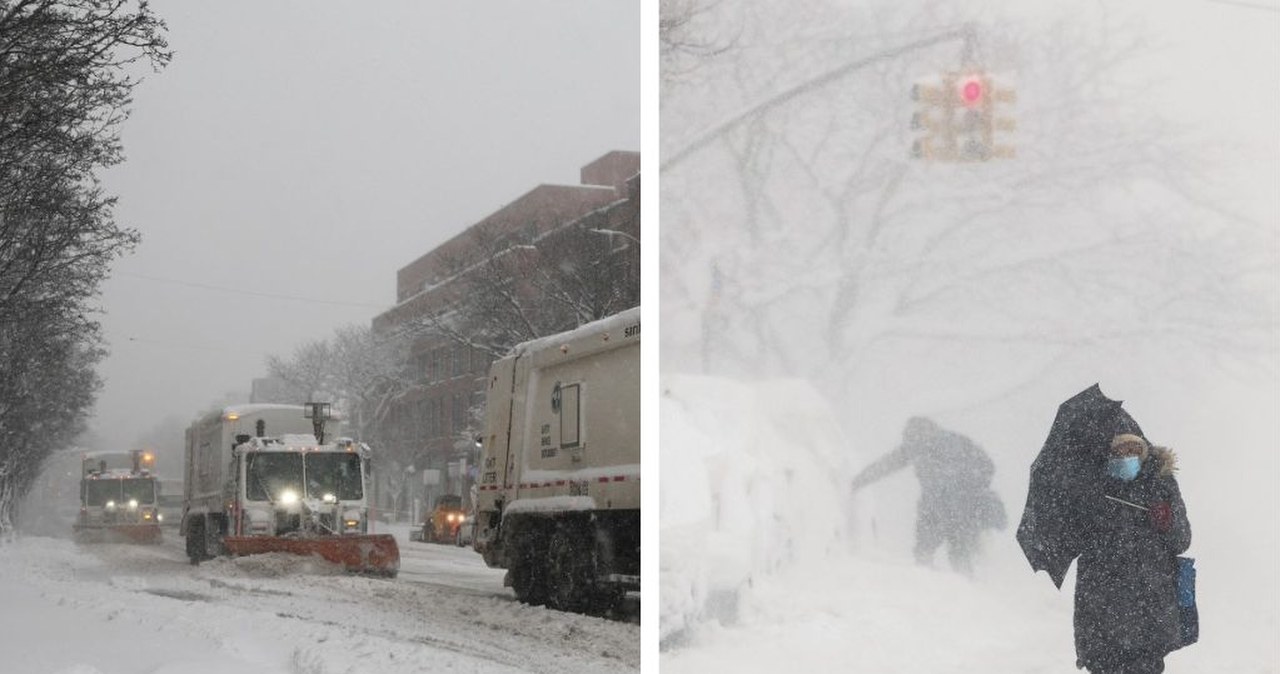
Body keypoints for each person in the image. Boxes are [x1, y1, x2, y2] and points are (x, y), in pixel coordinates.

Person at [1071, 433, 1191, 674]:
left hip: (1149, 606)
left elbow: (1182, 540)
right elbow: (1076, 537)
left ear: (1144, 453)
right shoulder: (1094, 488)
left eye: (1133, 450)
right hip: (1102, 608)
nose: (1127, 456)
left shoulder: (1162, 484)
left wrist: (1167, 521)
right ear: (1111, 455)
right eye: (1121, 451)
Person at [850, 416, 1005, 574]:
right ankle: (936, 584)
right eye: (909, 440)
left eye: (912, 438)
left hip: (961, 507)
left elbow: (985, 468)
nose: (911, 445)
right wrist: (858, 481)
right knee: (931, 551)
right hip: (937, 506)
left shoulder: (949, 444)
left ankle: (972, 586)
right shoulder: (917, 447)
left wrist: (964, 487)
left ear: (924, 433)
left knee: (956, 551)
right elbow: (888, 464)